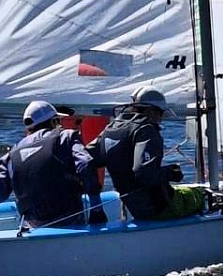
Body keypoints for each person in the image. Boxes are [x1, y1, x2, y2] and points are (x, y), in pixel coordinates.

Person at [0, 100, 108, 228]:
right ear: (53, 122)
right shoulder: (66, 137)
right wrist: (96, 209)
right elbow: (85, 164)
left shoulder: (11, 155)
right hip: (70, 220)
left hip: (33, 227)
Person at [86, 86, 204, 221]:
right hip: (155, 207)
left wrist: (93, 194)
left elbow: (86, 160)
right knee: (199, 196)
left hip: (132, 205)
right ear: (150, 111)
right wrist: (171, 173)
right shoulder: (146, 130)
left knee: (181, 192)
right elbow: (145, 174)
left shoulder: (111, 128)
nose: (160, 118)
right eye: (160, 113)